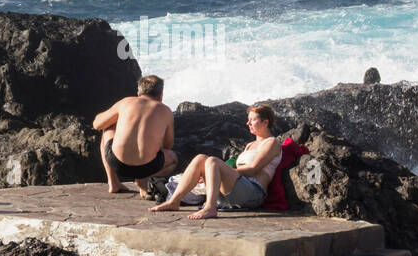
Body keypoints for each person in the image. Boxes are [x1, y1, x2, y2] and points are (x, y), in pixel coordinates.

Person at [149, 104, 283, 220]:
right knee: (201, 158)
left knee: (212, 161)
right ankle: (174, 202)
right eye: (248, 120)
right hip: (235, 189)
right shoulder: (250, 145)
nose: (248, 123)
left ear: (265, 122)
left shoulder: (272, 143)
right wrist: (208, 173)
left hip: (253, 192)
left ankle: (210, 207)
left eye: (252, 120)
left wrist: (224, 170)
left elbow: (253, 168)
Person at [92, 75, 179, 196]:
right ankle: (143, 180)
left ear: (138, 92)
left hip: (117, 163)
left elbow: (97, 124)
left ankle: (113, 182)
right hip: (149, 167)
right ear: (161, 95)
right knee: (173, 158)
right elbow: (168, 145)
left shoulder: (126, 102)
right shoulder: (166, 111)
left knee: (107, 127)